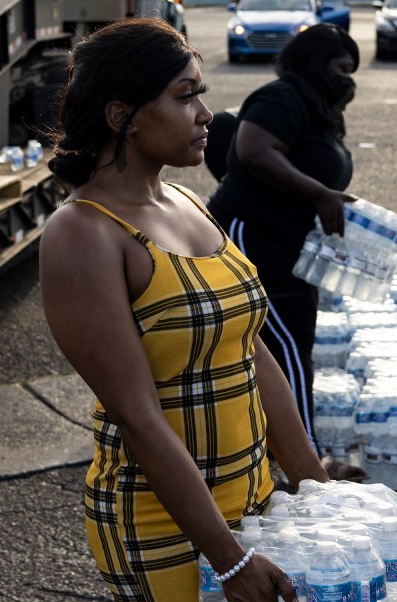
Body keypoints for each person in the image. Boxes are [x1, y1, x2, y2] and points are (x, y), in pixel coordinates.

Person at [39, 18, 329, 601]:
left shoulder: (186, 200)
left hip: (253, 504)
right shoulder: (82, 232)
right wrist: (229, 560)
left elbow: (249, 351)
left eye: (201, 93)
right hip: (165, 529)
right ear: (122, 116)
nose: (206, 114)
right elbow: (138, 417)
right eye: (185, 96)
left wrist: (318, 490)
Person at [206, 24, 363, 482]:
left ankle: (281, 452)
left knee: (290, 343)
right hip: (252, 235)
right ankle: (308, 466)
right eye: (342, 69)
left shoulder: (315, 108)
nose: (348, 80)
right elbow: (253, 150)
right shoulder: (281, 97)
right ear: (316, 63)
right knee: (288, 344)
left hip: (287, 242)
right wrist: (320, 193)